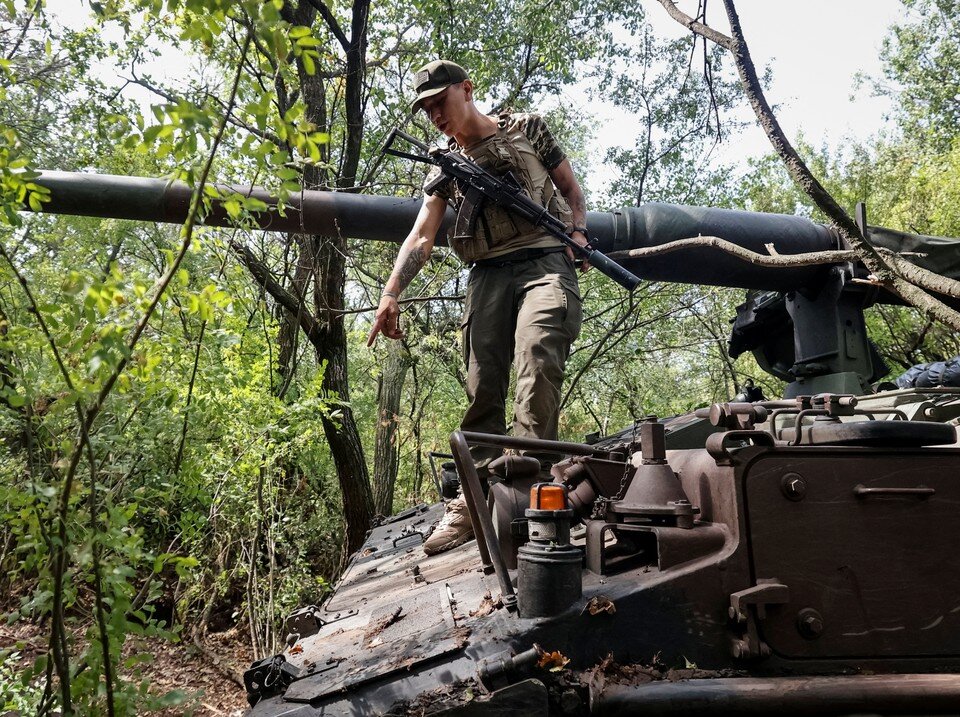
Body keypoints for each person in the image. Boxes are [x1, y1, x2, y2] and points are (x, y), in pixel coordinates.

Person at [367, 59, 589, 554]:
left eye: (439, 102)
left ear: (466, 89)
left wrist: (577, 231)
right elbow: (422, 234)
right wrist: (390, 293)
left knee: (538, 356)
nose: (434, 115)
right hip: (486, 274)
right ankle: (472, 503)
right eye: (425, 109)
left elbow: (571, 189)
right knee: (483, 385)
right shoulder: (444, 164)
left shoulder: (528, 128)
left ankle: (529, 489)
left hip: (544, 263)